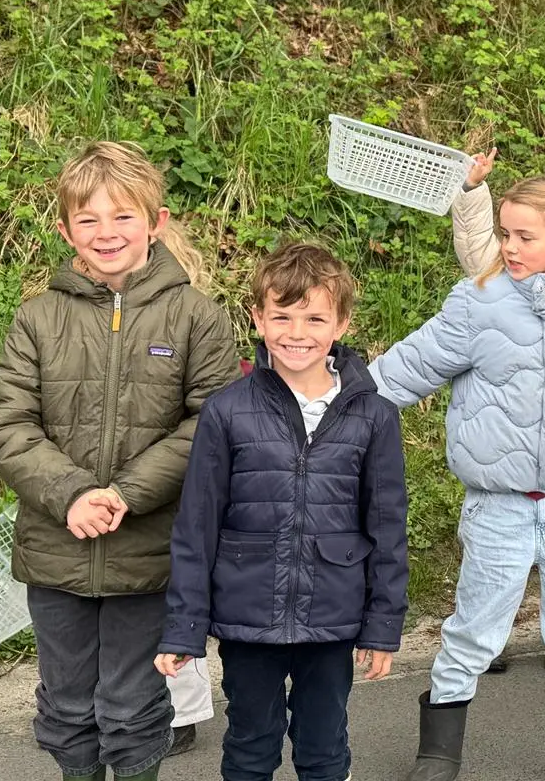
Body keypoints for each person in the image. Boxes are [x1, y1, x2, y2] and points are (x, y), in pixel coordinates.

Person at [373, 173, 545, 781]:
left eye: (525, 236)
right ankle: (438, 750)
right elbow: (410, 364)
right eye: (504, 234)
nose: (509, 247)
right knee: (475, 628)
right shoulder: (478, 301)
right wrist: (335, 404)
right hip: (498, 506)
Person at [0, 142, 238, 781]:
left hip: (151, 554)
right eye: (88, 219)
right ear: (65, 229)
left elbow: (212, 425)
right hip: (56, 549)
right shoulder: (37, 318)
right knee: (67, 709)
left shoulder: (197, 317)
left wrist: (124, 494)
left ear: (156, 222)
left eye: (123, 216)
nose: (107, 232)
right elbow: (7, 424)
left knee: (131, 709)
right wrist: (71, 494)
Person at [155, 244, 409, 781]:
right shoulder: (226, 410)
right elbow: (196, 526)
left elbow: (387, 529)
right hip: (247, 616)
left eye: (315, 318)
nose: (298, 332)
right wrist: (184, 629)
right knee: (250, 743)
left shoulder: (374, 416)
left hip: (333, 617)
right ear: (258, 318)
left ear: (341, 323)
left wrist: (383, 626)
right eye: (282, 316)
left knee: (324, 745)